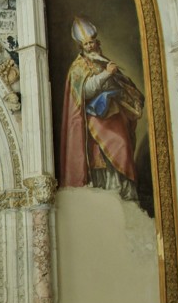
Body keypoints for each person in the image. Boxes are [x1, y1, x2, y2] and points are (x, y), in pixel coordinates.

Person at [60, 16, 145, 201]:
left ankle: (126, 194)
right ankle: (113, 193)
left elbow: (118, 82)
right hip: (97, 119)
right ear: (81, 47)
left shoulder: (101, 59)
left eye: (92, 42)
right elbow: (86, 91)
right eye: (86, 44)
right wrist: (107, 74)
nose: (90, 46)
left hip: (114, 114)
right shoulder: (78, 67)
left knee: (124, 148)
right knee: (110, 153)